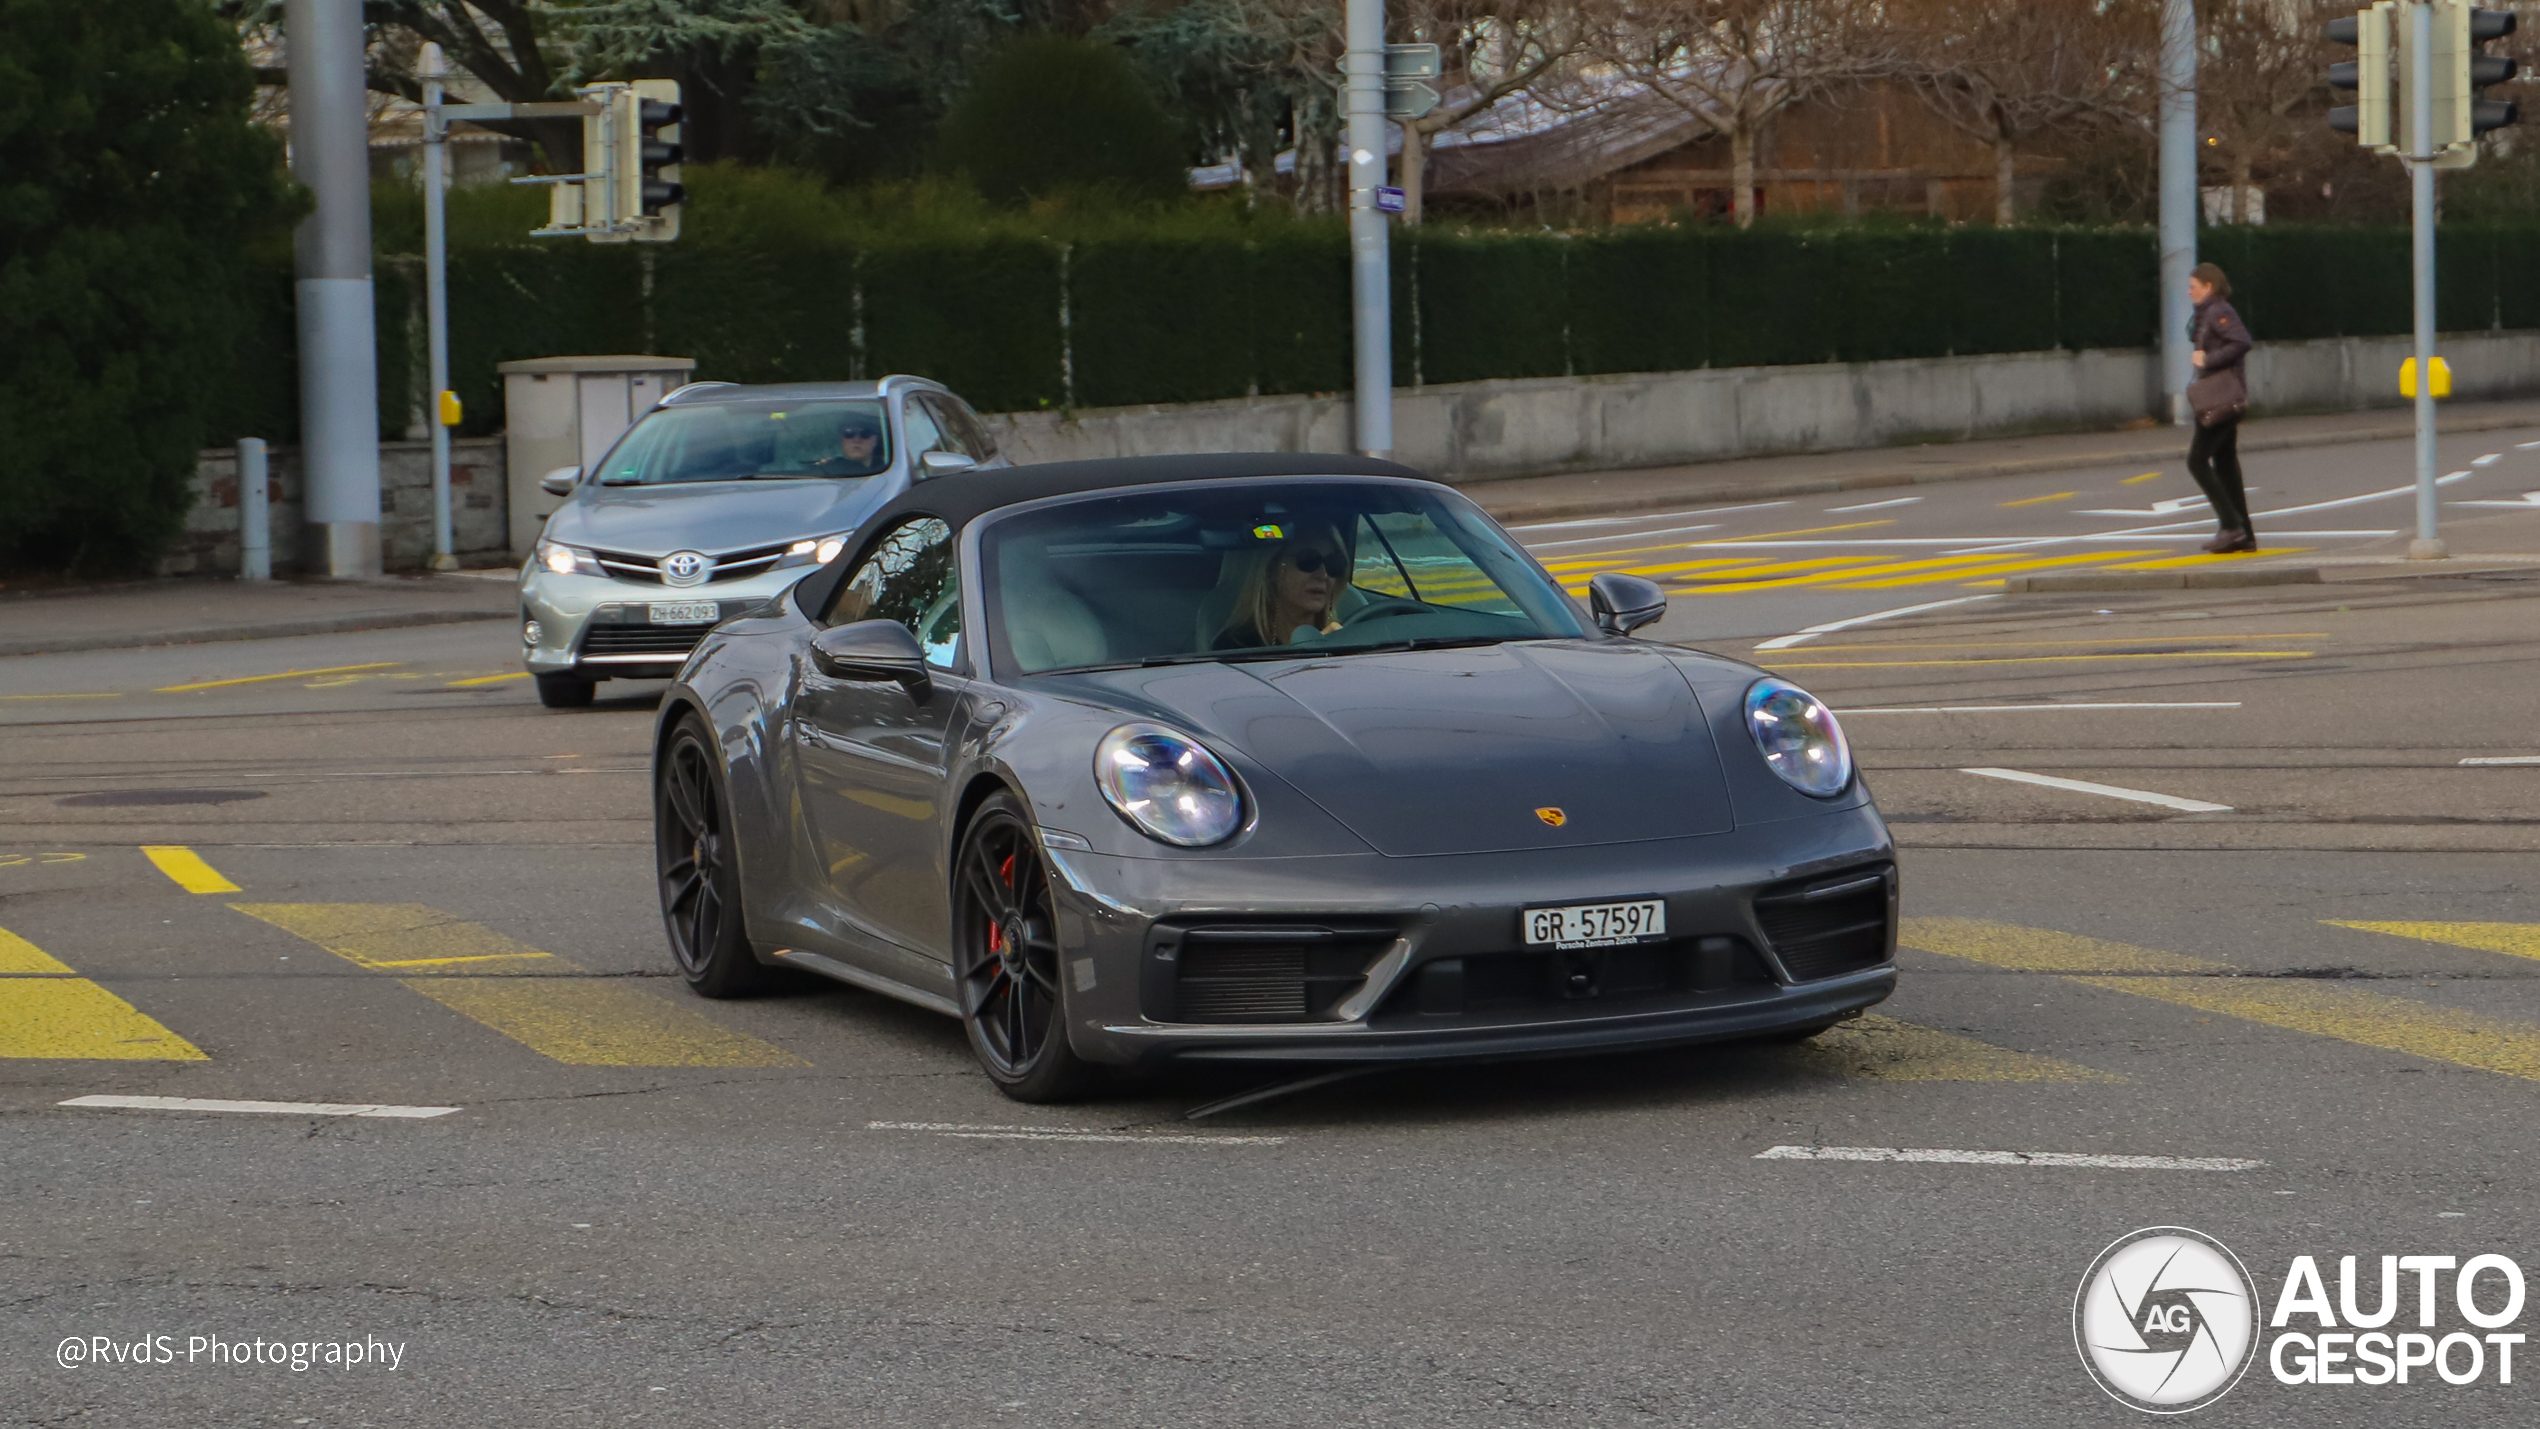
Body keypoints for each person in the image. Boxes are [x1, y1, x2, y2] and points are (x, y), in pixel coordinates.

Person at [2186, 263, 2255, 553]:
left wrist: (2208, 360)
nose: (2189, 291)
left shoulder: (2218, 311)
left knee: (2197, 460)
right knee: (2226, 465)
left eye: (2193, 286)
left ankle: (2231, 526)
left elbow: (2241, 341)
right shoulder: (2207, 313)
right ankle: (2244, 535)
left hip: (2222, 398)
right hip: (2220, 397)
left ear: (2208, 286)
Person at [1215, 525, 1346, 649]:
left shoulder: (1347, 636)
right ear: (1272, 569)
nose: (1323, 575)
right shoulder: (1236, 645)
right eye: (1309, 561)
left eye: (1333, 563)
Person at [807, 412, 887, 477]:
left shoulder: (891, 470)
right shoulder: (825, 471)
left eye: (865, 434)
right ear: (841, 440)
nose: (856, 440)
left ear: (874, 440)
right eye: (849, 433)